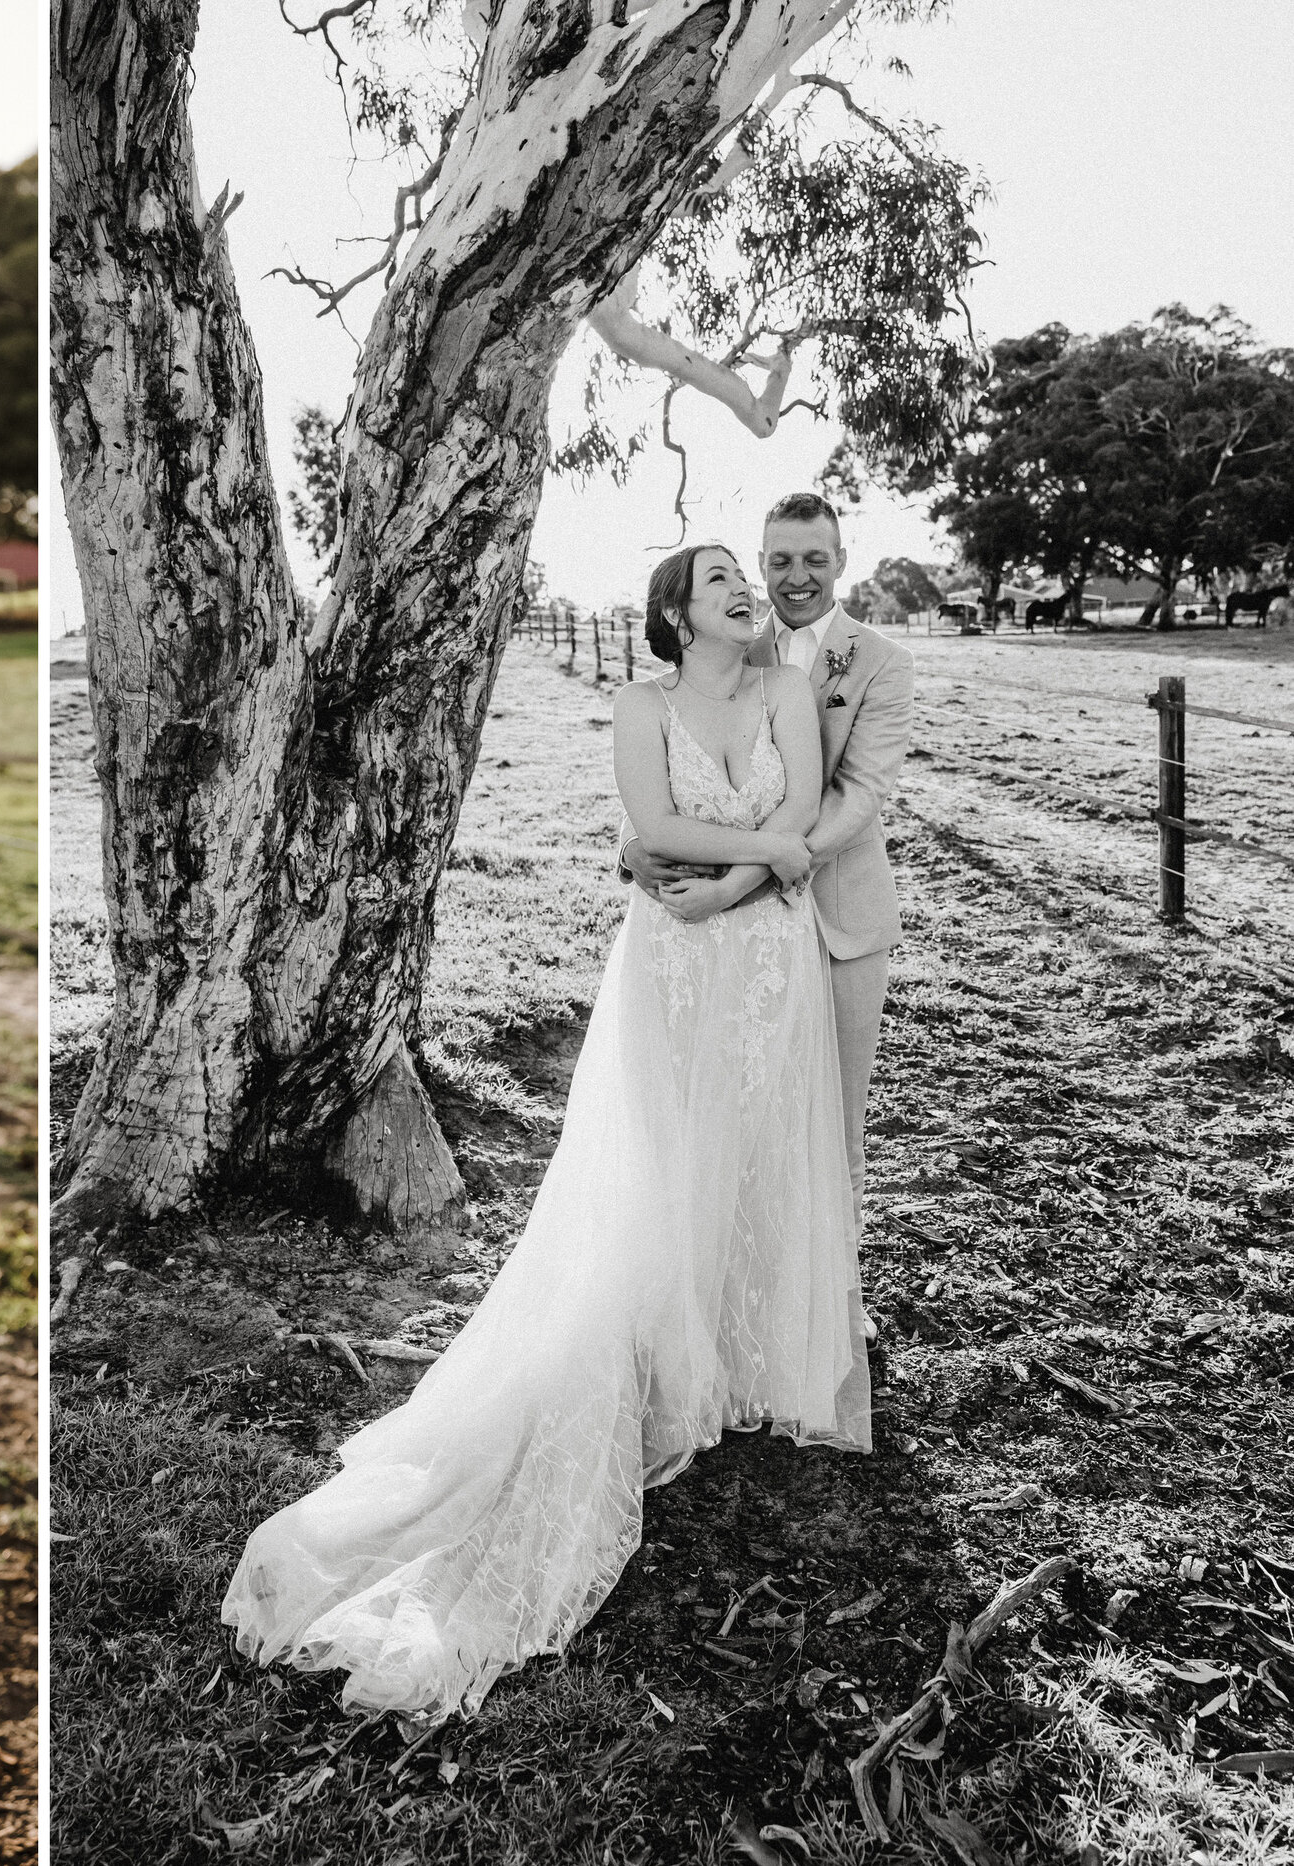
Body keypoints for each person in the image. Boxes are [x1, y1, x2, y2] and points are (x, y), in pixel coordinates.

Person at [220, 543, 870, 1719]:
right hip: (665, 965)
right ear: (673, 610)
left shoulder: (783, 690)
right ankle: (658, 1340)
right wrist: (749, 862)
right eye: (714, 575)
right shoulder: (639, 702)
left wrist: (733, 883)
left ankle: (746, 1347)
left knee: (760, 1144)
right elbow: (654, 819)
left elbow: (794, 816)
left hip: (759, 953)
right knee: (669, 1158)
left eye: (744, 574)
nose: (739, 586)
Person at [624, 491, 914, 1209]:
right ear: (761, 563)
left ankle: (839, 1305)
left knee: (835, 1116)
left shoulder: (880, 662)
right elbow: (671, 774)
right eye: (780, 560)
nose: (797, 576)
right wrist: (633, 846)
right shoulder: (728, 645)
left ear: (841, 560)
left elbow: (858, 795)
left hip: (839, 916)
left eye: (815, 559)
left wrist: (745, 880)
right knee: (741, 1113)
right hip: (733, 940)